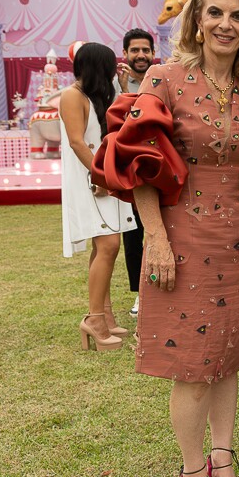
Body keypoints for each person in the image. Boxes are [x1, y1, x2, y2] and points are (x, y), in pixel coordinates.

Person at [93, 0, 239, 477]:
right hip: (179, 237)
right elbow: (139, 163)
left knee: (226, 358)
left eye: (237, 16)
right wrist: (154, 237)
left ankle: (224, 462)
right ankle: (192, 475)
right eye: (216, 14)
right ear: (197, 22)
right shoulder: (164, 78)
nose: (226, 25)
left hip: (236, 240)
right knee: (192, 365)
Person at [60, 42, 137, 351]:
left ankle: (104, 315)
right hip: (89, 178)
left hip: (99, 175)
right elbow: (78, 142)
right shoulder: (71, 96)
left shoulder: (92, 97)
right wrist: (101, 175)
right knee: (108, 244)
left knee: (104, 246)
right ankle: (94, 319)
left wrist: (122, 87)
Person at [113, 28, 156, 318]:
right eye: (135, 50)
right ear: (126, 54)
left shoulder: (163, 81)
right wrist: (125, 89)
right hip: (129, 176)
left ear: (153, 52)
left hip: (158, 174)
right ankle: (141, 295)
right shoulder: (116, 88)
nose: (141, 55)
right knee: (134, 237)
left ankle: (162, 292)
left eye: (145, 50)